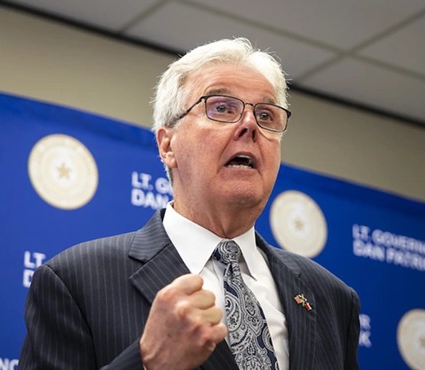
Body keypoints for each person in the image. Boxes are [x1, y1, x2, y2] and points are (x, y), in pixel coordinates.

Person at [19, 37, 360, 370]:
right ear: (168, 146)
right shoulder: (75, 281)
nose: (250, 125)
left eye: (267, 115)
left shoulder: (331, 298)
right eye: (222, 108)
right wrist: (149, 363)